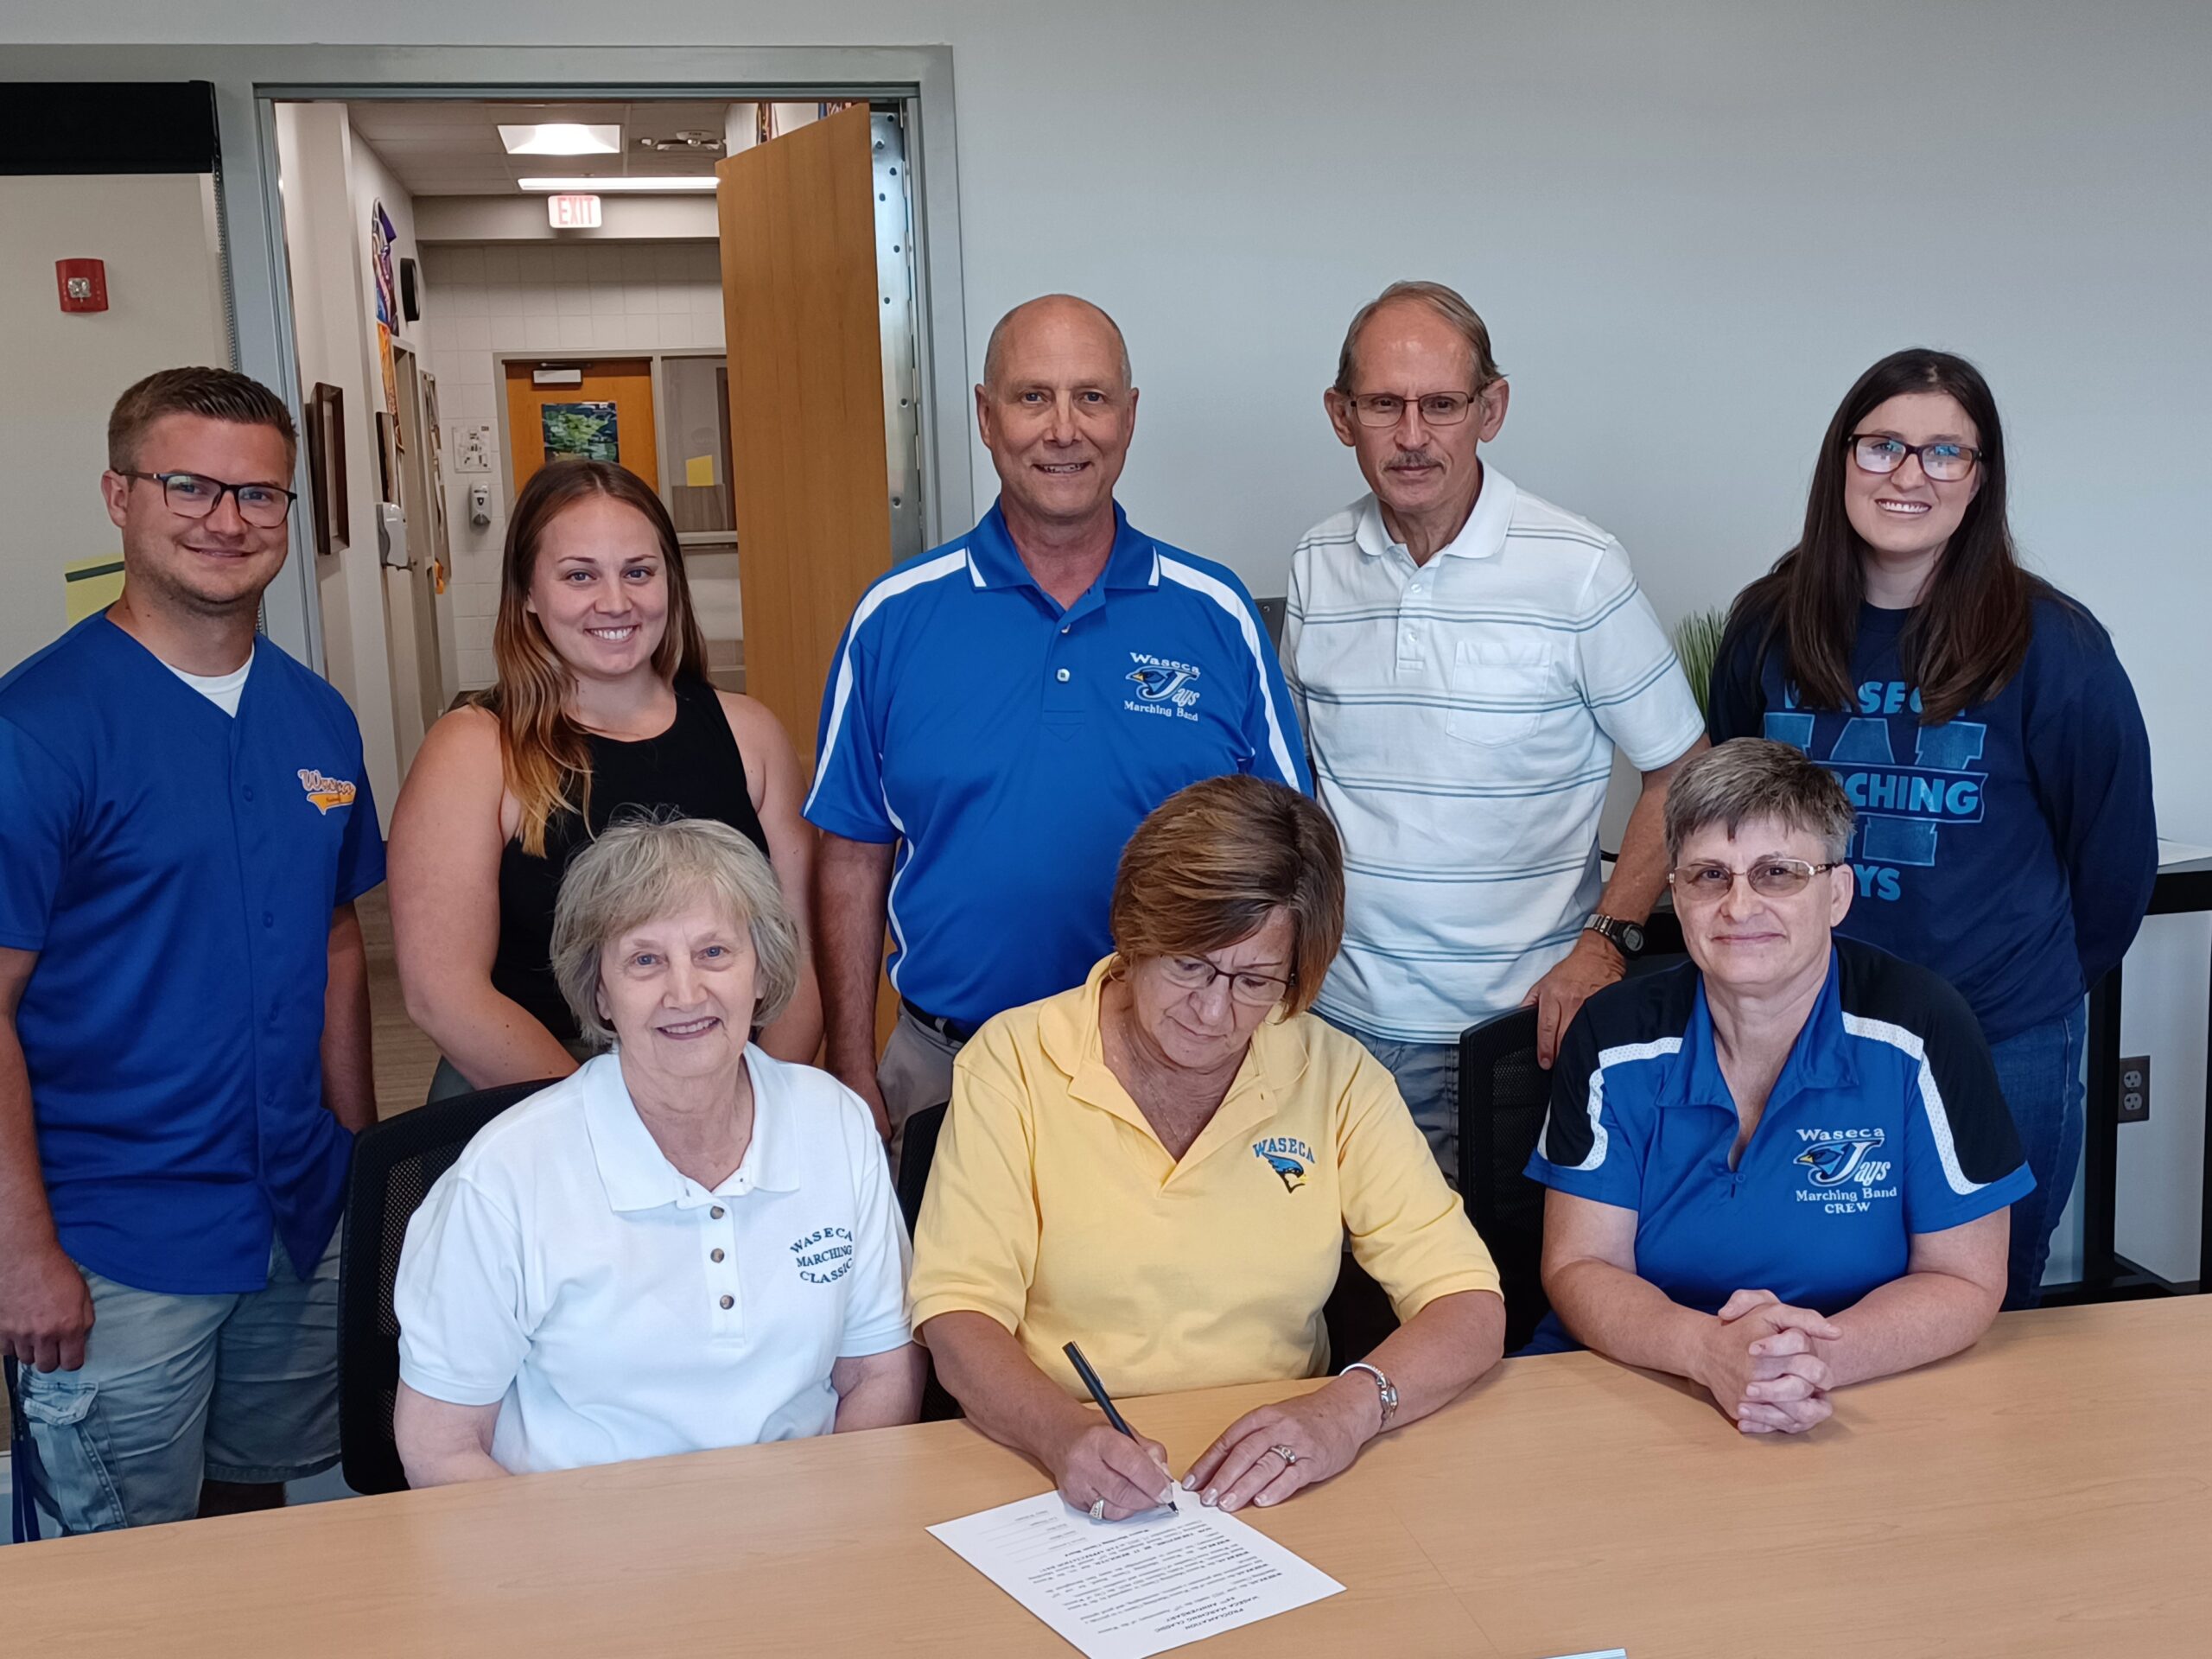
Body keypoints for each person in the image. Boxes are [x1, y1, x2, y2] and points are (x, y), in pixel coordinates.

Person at [0, 367, 382, 1532]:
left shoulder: (318, 717)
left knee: (259, 1506)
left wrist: (361, 1163)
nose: (227, 520)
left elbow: (336, 939)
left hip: (295, 1215)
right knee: (115, 1558)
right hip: (118, 1238)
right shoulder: (38, 730)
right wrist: (22, 1255)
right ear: (120, 496)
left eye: (259, 496)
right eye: (190, 486)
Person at [910, 774, 1503, 1519]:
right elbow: (958, 1316)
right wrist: (1063, 1434)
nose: (1214, 1011)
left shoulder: (1336, 1075)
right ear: (1136, 934)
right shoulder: (1016, 1061)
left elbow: (1469, 1305)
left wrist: (1345, 1413)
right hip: (1049, 1467)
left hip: (1276, 1471)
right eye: (1190, 964)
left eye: (1256, 981)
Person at [808, 294, 1308, 1169]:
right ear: (984, 416)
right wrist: (851, 1062)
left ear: (1130, 414)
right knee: (952, 1307)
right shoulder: (893, 619)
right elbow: (853, 855)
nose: (1063, 429)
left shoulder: (1215, 614)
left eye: (1092, 397)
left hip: (1176, 1072)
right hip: (946, 1069)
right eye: (1032, 397)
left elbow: (1288, 855)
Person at [1707, 349, 2155, 1307]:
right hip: (1806, 1032)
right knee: (1808, 1300)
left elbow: (2113, 865)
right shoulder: (1764, 629)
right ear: (1842, 462)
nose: (1909, 475)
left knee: (1983, 1314)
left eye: (1944, 452)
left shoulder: (2053, 645)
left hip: (2001, 1039)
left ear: (1978, 480)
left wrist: (2020, 985)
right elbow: (1729, 820)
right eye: (1882, 447)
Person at [1284, 281, 1705, 1182]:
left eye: (1440, 405)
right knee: (1336, 1304)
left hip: (1503, 1039)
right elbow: (1302, 785)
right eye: (1381, 405)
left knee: (1485, 1308)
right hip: (1331, 1028)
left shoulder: (1578, 570)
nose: (1410, 435)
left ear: (1491, 409)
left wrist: (1607, 942)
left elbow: (1683, 773)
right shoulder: (1316, 565)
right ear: (1338, 414)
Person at [392, 817, 920, 1483]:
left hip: (802, 1538)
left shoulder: (834, 1124)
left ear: (762, 972)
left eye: (714, 953)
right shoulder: (505, 1175)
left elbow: (877, 1371)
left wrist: (831, 1539)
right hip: (581, 1553)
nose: (686, 993)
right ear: (601, 993)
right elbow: (440, 1445)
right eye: (645, 960)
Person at [1528, 740, 2031, 1433]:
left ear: (1837, 894)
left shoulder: (1922, 1029)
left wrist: (1800, 1366)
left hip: (1858, 1393)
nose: (1739, 906)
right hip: (1632, 1384)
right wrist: (1711, 1355)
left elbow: (1965, 1280)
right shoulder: (1614, 1036)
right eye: (1709, 875)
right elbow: (1581, 1263)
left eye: (1778, 873)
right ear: (1675, 894)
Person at [387, 458, 820, 1100]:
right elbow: (442, 994)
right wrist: (610, 1126)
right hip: (535, 1095)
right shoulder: (473, 751)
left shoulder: (750, 735)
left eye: (638, 573)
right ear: (528, 593)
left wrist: (770, 1103)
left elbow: (797, 961)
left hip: (727, 1085)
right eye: (579, 575)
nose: (614, 602)